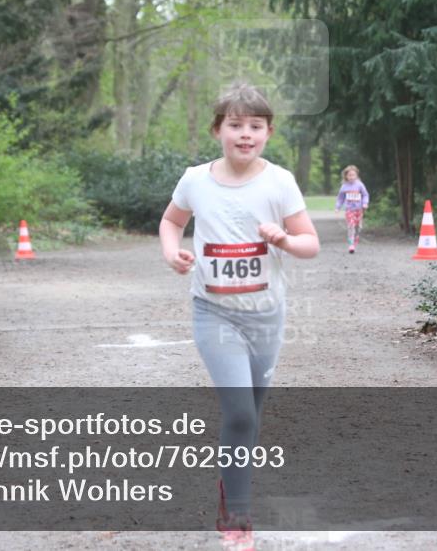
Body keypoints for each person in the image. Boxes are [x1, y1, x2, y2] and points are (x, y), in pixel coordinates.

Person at [159, 83, 320, 551]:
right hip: (214, 312)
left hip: (266, 316)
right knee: (239, 413)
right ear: (218, 131)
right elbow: (171, 221)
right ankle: (238, 515)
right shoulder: (195, 180)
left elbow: (310, 243)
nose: (245, 134)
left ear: (268, 133)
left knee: (250, 417)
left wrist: (284, 240)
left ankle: (230, 486)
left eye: (255, 126)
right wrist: (172, 252)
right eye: (235, 125)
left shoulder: (279, 182)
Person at [335, 165, 369, 253]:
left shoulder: (360, 185)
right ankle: (351, 244)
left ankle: (355, 241)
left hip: (359, 209)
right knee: (351, 226)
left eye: (353, 175)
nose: (351, 177)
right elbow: (340, 198)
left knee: (358, 227)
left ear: (356, 175)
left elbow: (365, 195)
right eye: (349, 175)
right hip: (349, 210)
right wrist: (337, 207)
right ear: (346, 176)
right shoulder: (344, 186)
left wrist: (365, 203)